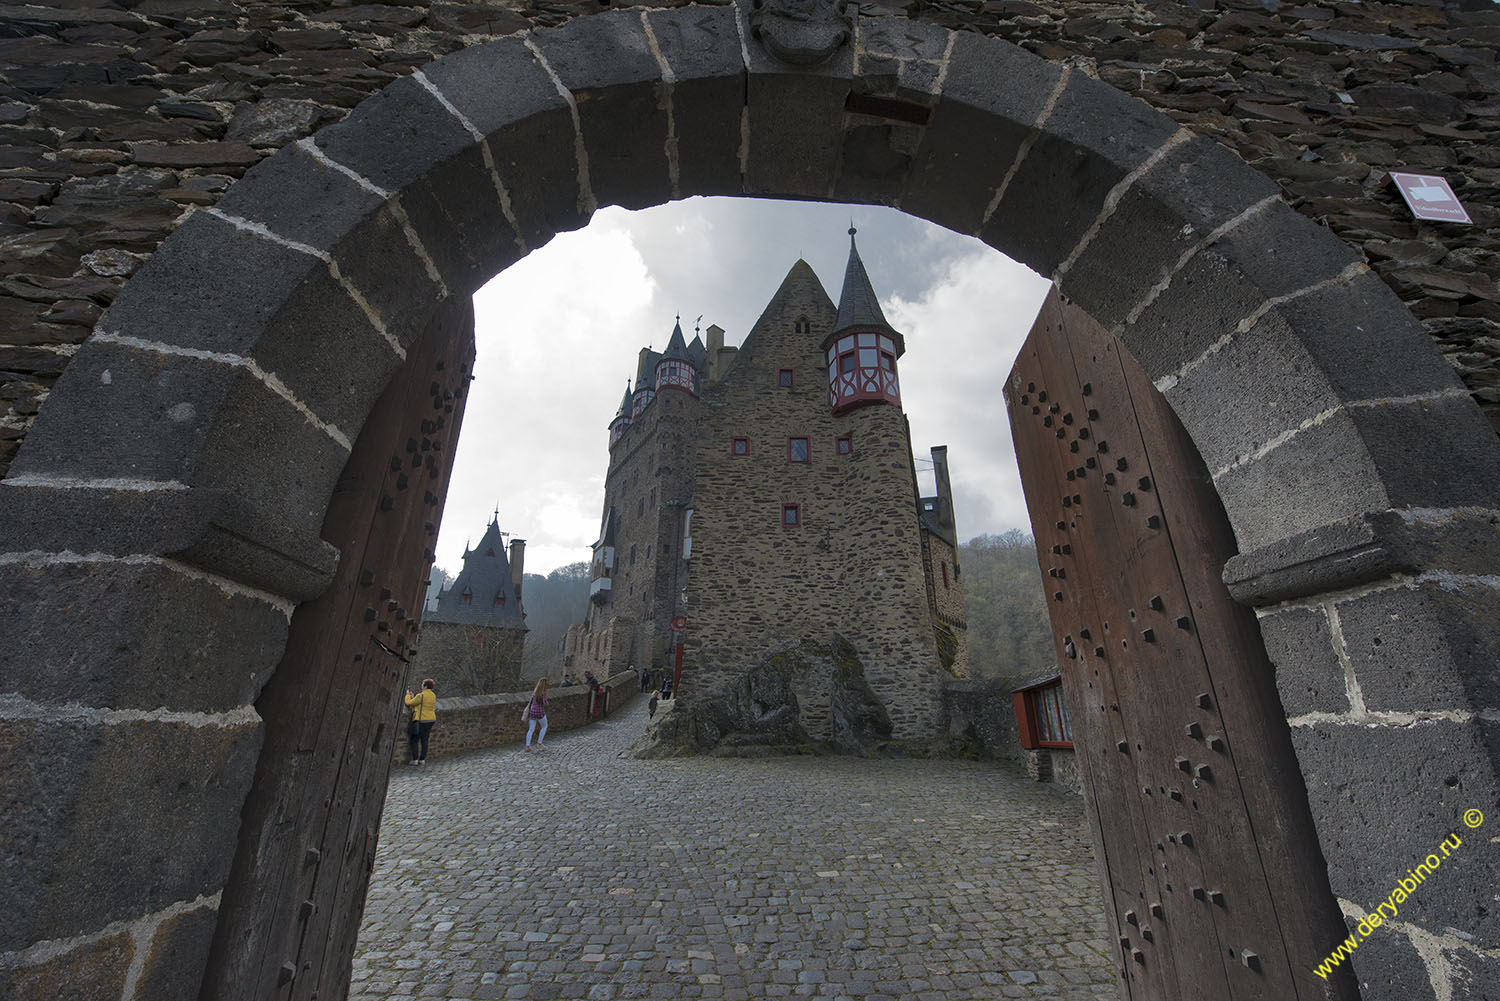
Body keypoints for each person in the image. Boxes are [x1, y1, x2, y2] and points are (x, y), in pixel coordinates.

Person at [404, 678, 437, 765]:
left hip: (422, 720)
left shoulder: (421, 695)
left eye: (422, 685)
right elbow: (420, 704)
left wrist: (407, 695)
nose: (421, 686)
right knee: (424, 739)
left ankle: (415, 759)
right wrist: (413, 697)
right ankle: (422, 759)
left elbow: (409, 703)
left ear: (425, 686)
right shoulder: (433, 695)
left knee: (414, 739)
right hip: (431, 719)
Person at [522, 676, 549, 750]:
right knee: (544, 726)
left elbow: (531, 700)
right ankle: (539, 743)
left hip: (532, 711)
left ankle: (527, 745)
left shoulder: (535, 690)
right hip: (540, 712)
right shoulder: (543, 693)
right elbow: (544, 703)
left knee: (531, 729)